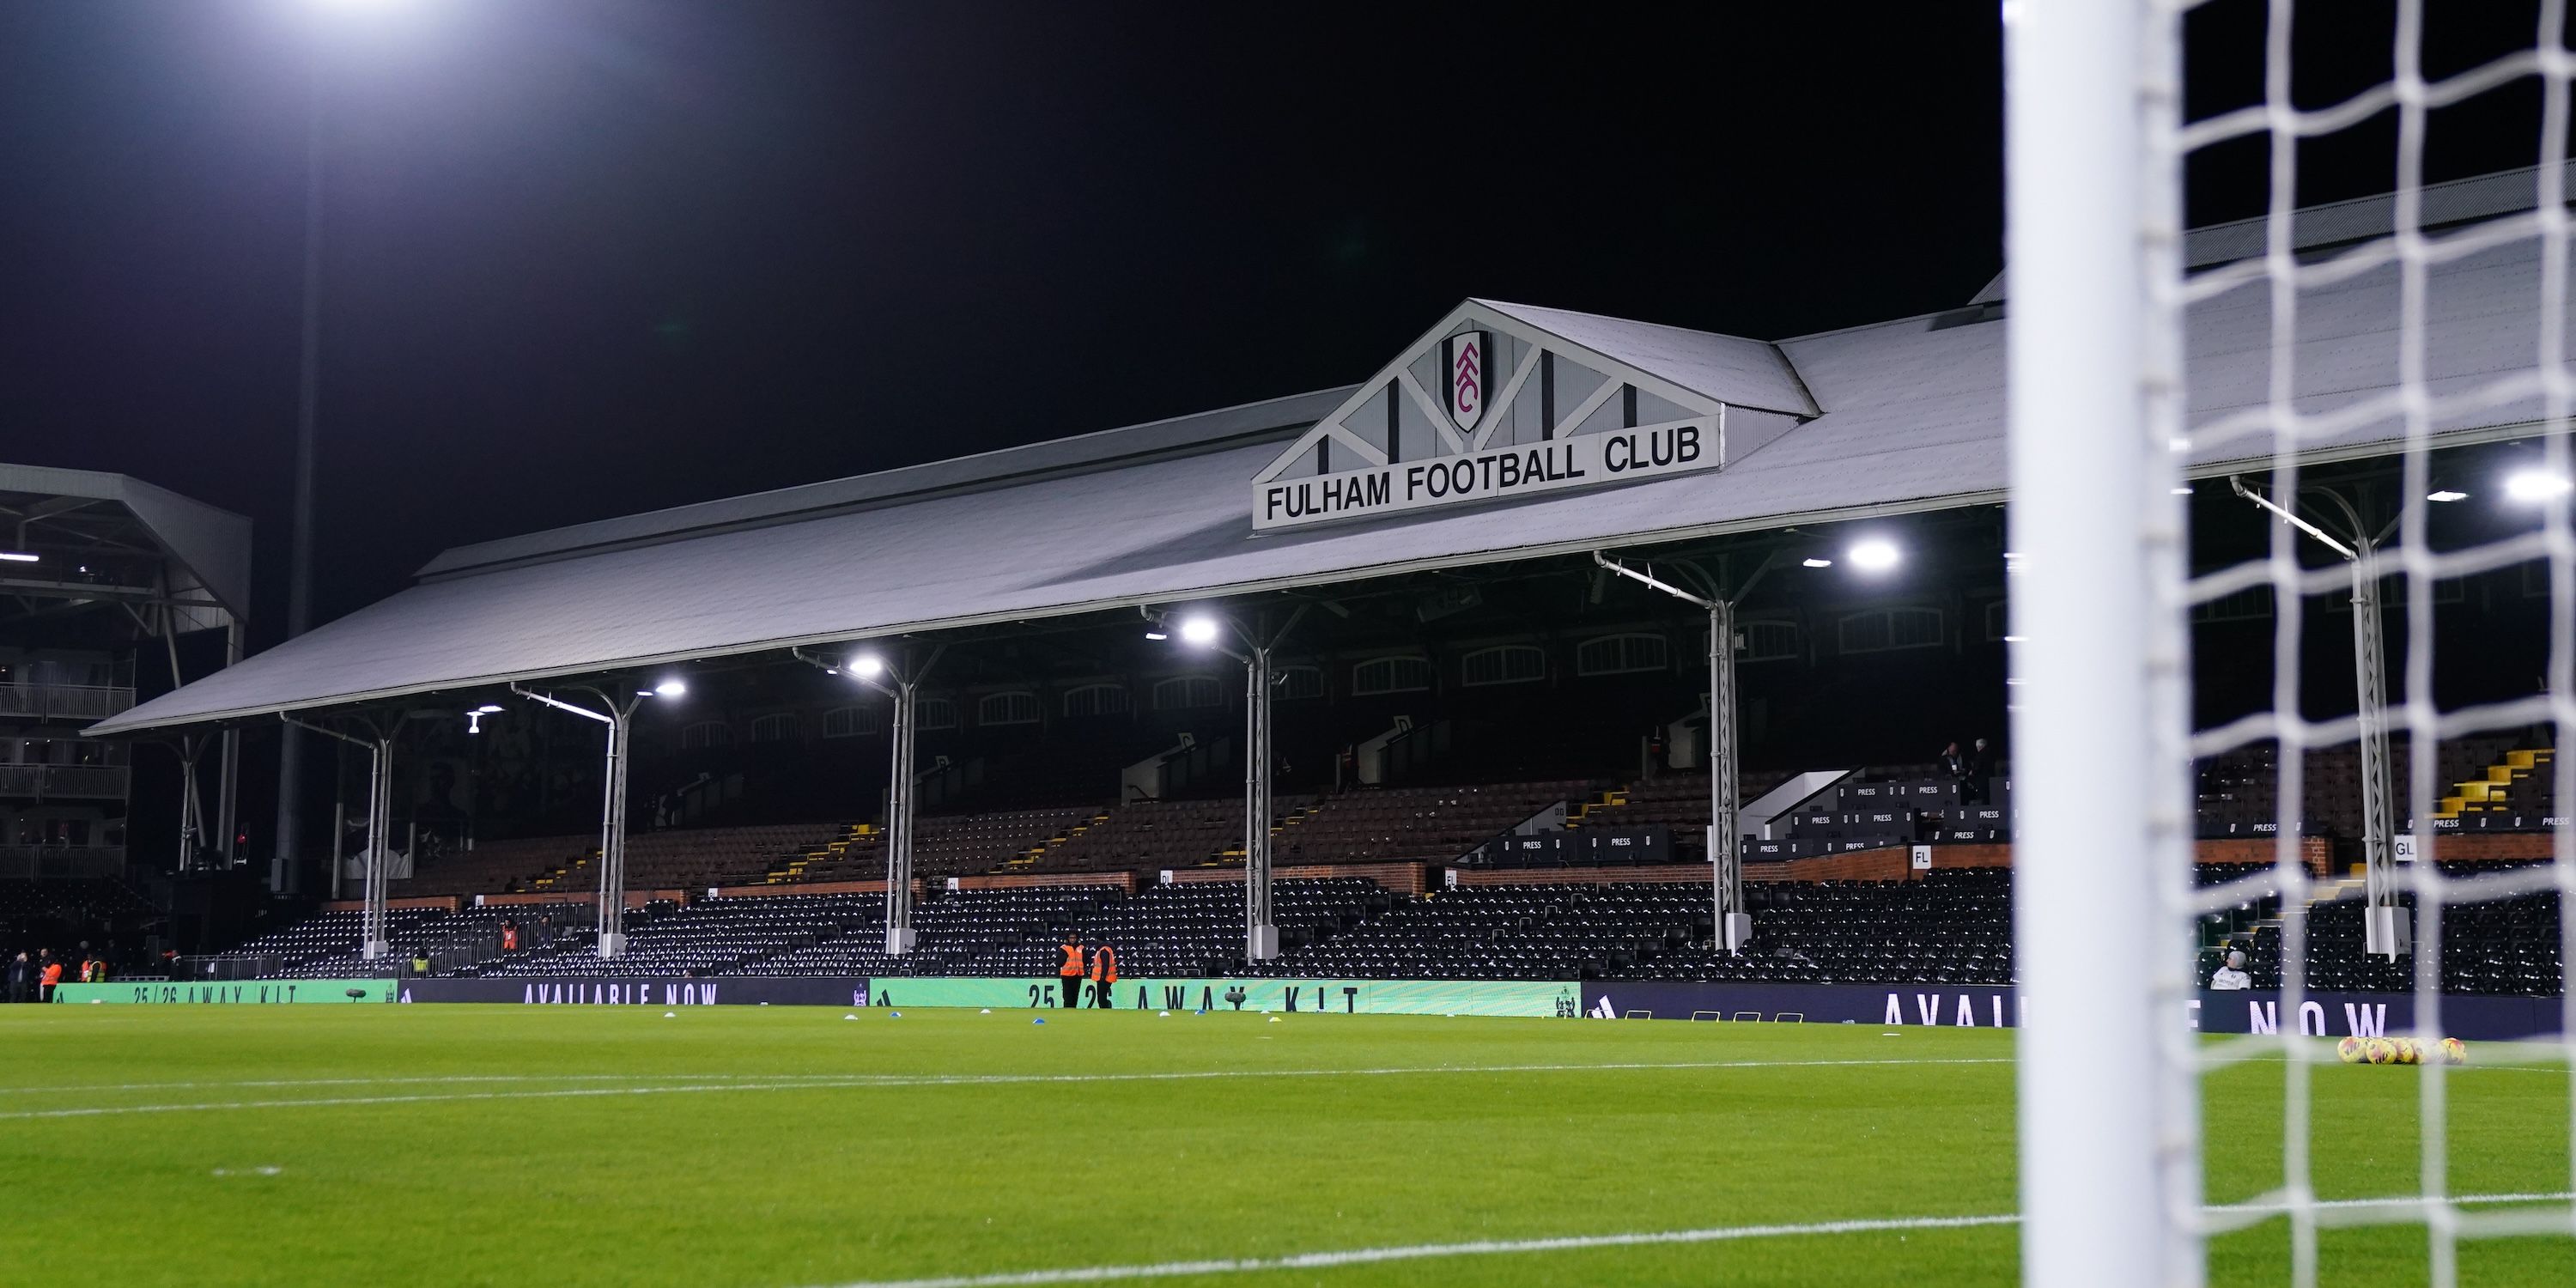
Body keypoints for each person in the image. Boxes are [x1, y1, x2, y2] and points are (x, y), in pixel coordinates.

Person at [1056, 932, 1085, 1008]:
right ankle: (1067, 1011)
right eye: (1071, 938)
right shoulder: (1063, 948)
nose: (1073, 939)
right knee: (1067, 996)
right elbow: (1059, 962)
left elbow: (1086, 959)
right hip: (1067, 975)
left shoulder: (1081, 948)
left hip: (1078, 974)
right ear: (1068, 938)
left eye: (1074, 938)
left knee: (1075, 996)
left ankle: (1073, 1010)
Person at [1088, 941, 1118, 1009]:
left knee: (1101, 998)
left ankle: (1105, 1011)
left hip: (1103, 978)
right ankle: (1105, 1010)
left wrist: (1102, 977)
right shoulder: (1108, 950)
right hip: (1107, 977)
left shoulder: (1103, 950)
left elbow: (1105, 965)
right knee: (1102, 997)